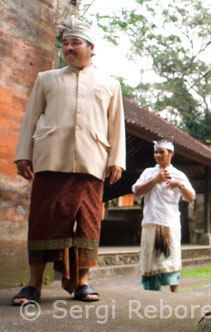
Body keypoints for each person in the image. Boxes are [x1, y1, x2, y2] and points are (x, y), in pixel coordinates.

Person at [12, 16, 126, 305]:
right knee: (41, 221)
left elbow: (116, 125)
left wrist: (117, 160)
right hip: (50, 159)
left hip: (92, 162)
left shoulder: (110, 84)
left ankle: (83, 284)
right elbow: (30, 118)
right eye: (65, 44)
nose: (69, 48)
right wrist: (23, 153)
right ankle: (33, 284)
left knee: (88, 223)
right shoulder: (46, 79)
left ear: (91, 47)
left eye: (75, 43)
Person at [132, 140, 195, 292]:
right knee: (150, 258)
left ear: (171, 154)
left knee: (171, 257)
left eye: (162, 152)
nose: (158, 155)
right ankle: (151, 293)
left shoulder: (179, 175)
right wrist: (155, 180)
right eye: (156, 152)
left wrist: (179, 184)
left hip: (170, 222)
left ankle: (174, 294)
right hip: (150, 221)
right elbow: (137, 191)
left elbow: (191, 197)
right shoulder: (148, 173)